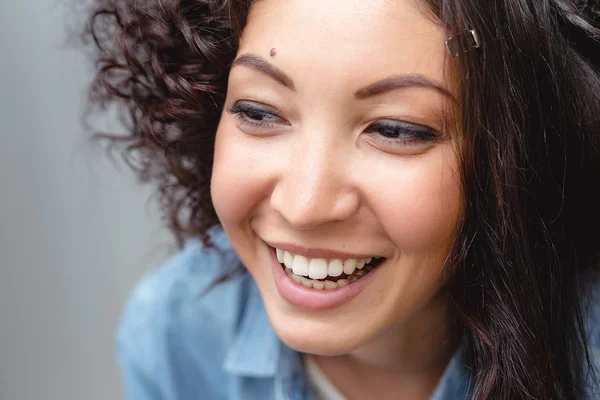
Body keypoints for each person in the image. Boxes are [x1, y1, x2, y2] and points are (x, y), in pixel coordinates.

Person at [83, 0, 600, 398]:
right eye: (260, 113)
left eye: (396, 129)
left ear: (520, 154)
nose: (304, 206)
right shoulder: (179, 335)